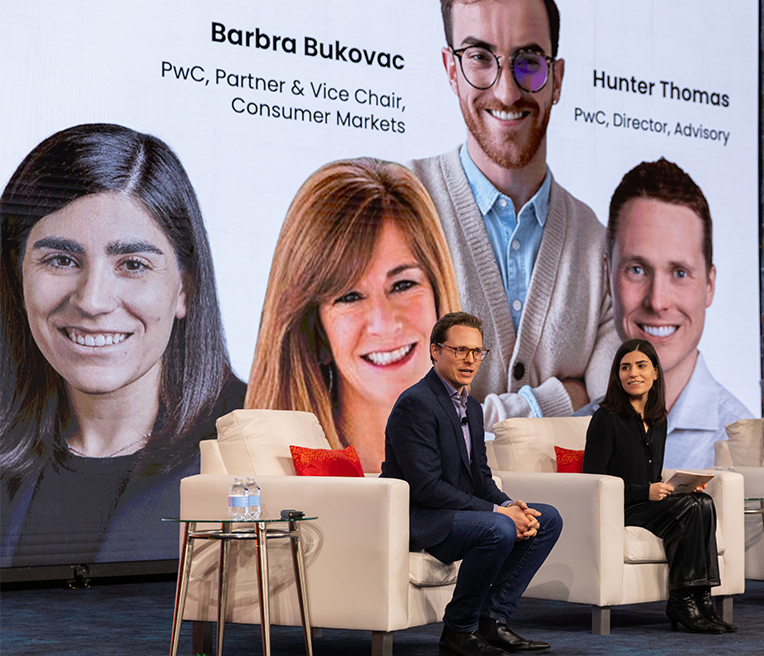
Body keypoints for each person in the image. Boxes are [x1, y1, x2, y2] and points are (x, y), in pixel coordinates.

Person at [0, 123, 245, 568]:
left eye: (132, 264)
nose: (92, 300)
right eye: (60, 259)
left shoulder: (255, 451)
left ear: (184, 289)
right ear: (16, 275)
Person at [409, 0, 619, 430]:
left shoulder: (598, 243)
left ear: (557, 78)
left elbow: (616, 414)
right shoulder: (400, 209)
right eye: (480, 57)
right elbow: (409, 419)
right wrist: (559, 396)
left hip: (569, 506)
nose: (507, 90)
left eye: (529, 60)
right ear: (451, 70)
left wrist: (481, 413)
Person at [246, 158, 460, 473]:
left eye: (402, 285)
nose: (384, 323)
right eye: (349, 296)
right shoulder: (275, 485)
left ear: (439, 298)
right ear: (316, 335)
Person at [382, 312, 562, 656]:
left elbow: (479, 476)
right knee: (497, 528)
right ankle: (459, 629)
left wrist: (510, 505)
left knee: (547, 518)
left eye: (478, 352)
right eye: (461, 350)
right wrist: (499, 514)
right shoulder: (415, 404)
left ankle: (492, 619)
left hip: (458, 514)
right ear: (435, 351)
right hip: (421, 517)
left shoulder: (473, 407)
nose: (470, 360)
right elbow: (426, 489)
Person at [579, 158, 753, 470]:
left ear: (710, 285)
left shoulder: (748, 447)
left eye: (680, 273)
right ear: (607, 277)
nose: (657, 301)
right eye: (636, 269)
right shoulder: (576, 429)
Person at [583, 338, 735, 634]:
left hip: (647, 504)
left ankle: (702, 599)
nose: (632, 373)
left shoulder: (658, 419)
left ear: (655, 373)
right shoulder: (606, 418)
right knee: (692, 509)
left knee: (702, 503)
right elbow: (594, 480)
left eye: (641, 366)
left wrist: (679, 487)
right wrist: (645, 491)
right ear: (617, 375)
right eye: (624, 367)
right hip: (621, 506)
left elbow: (651, 473)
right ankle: (681, 600)